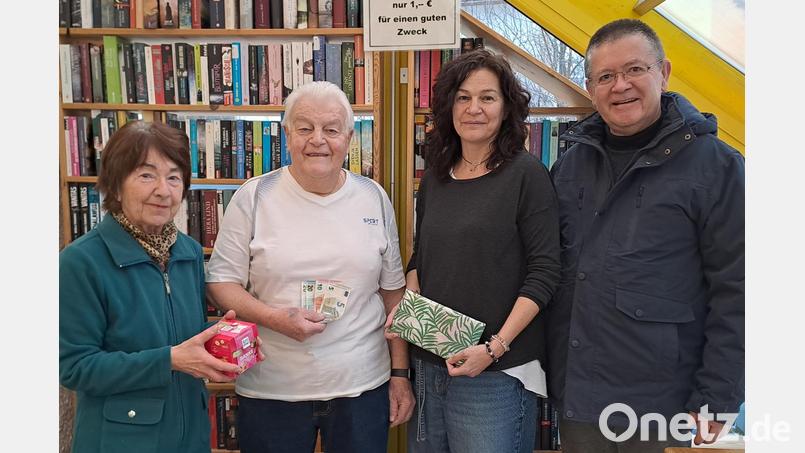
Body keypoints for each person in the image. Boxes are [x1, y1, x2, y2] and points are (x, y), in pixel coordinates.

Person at [547, 19, 744, 452]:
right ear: (590, 87)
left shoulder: (717, 167)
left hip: (661, 408)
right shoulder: (571, 165)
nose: (621, 86)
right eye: (605, 77)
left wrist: (717, 398)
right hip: (579, 400)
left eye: (634, 70)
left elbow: (740, 290)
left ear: (664, 72)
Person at [206, 81, 414, 453]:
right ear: (287, 135)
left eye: (331, 129)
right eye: (305, 128)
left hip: (362, 388)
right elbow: (221, 282)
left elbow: (392, 293)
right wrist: (273, 318)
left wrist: (400, 374)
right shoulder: (254, 196)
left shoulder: (374, 197)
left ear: (349, 138)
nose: (318, 139)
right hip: (272, 388)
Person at [393, 49, 561, 453]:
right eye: (464, 97)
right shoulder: (435, 178)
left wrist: (494, 348)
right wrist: (406, 315)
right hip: (430, 363)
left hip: (495, 372)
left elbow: (545, 271)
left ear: (506, 108)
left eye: (487, 97)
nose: (474, 108)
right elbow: (422, 259)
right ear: (449, 105)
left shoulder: (527, 175)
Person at [60, 121, 252, 453]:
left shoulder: (188, 252)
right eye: (147, 175)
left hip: (190, 436)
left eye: (174, 177)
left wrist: (225, 341)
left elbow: (180, 338)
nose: (163, 190)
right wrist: (169, 361)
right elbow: (74, 367)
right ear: (116, 186)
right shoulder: (81, 261)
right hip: (120, 441)